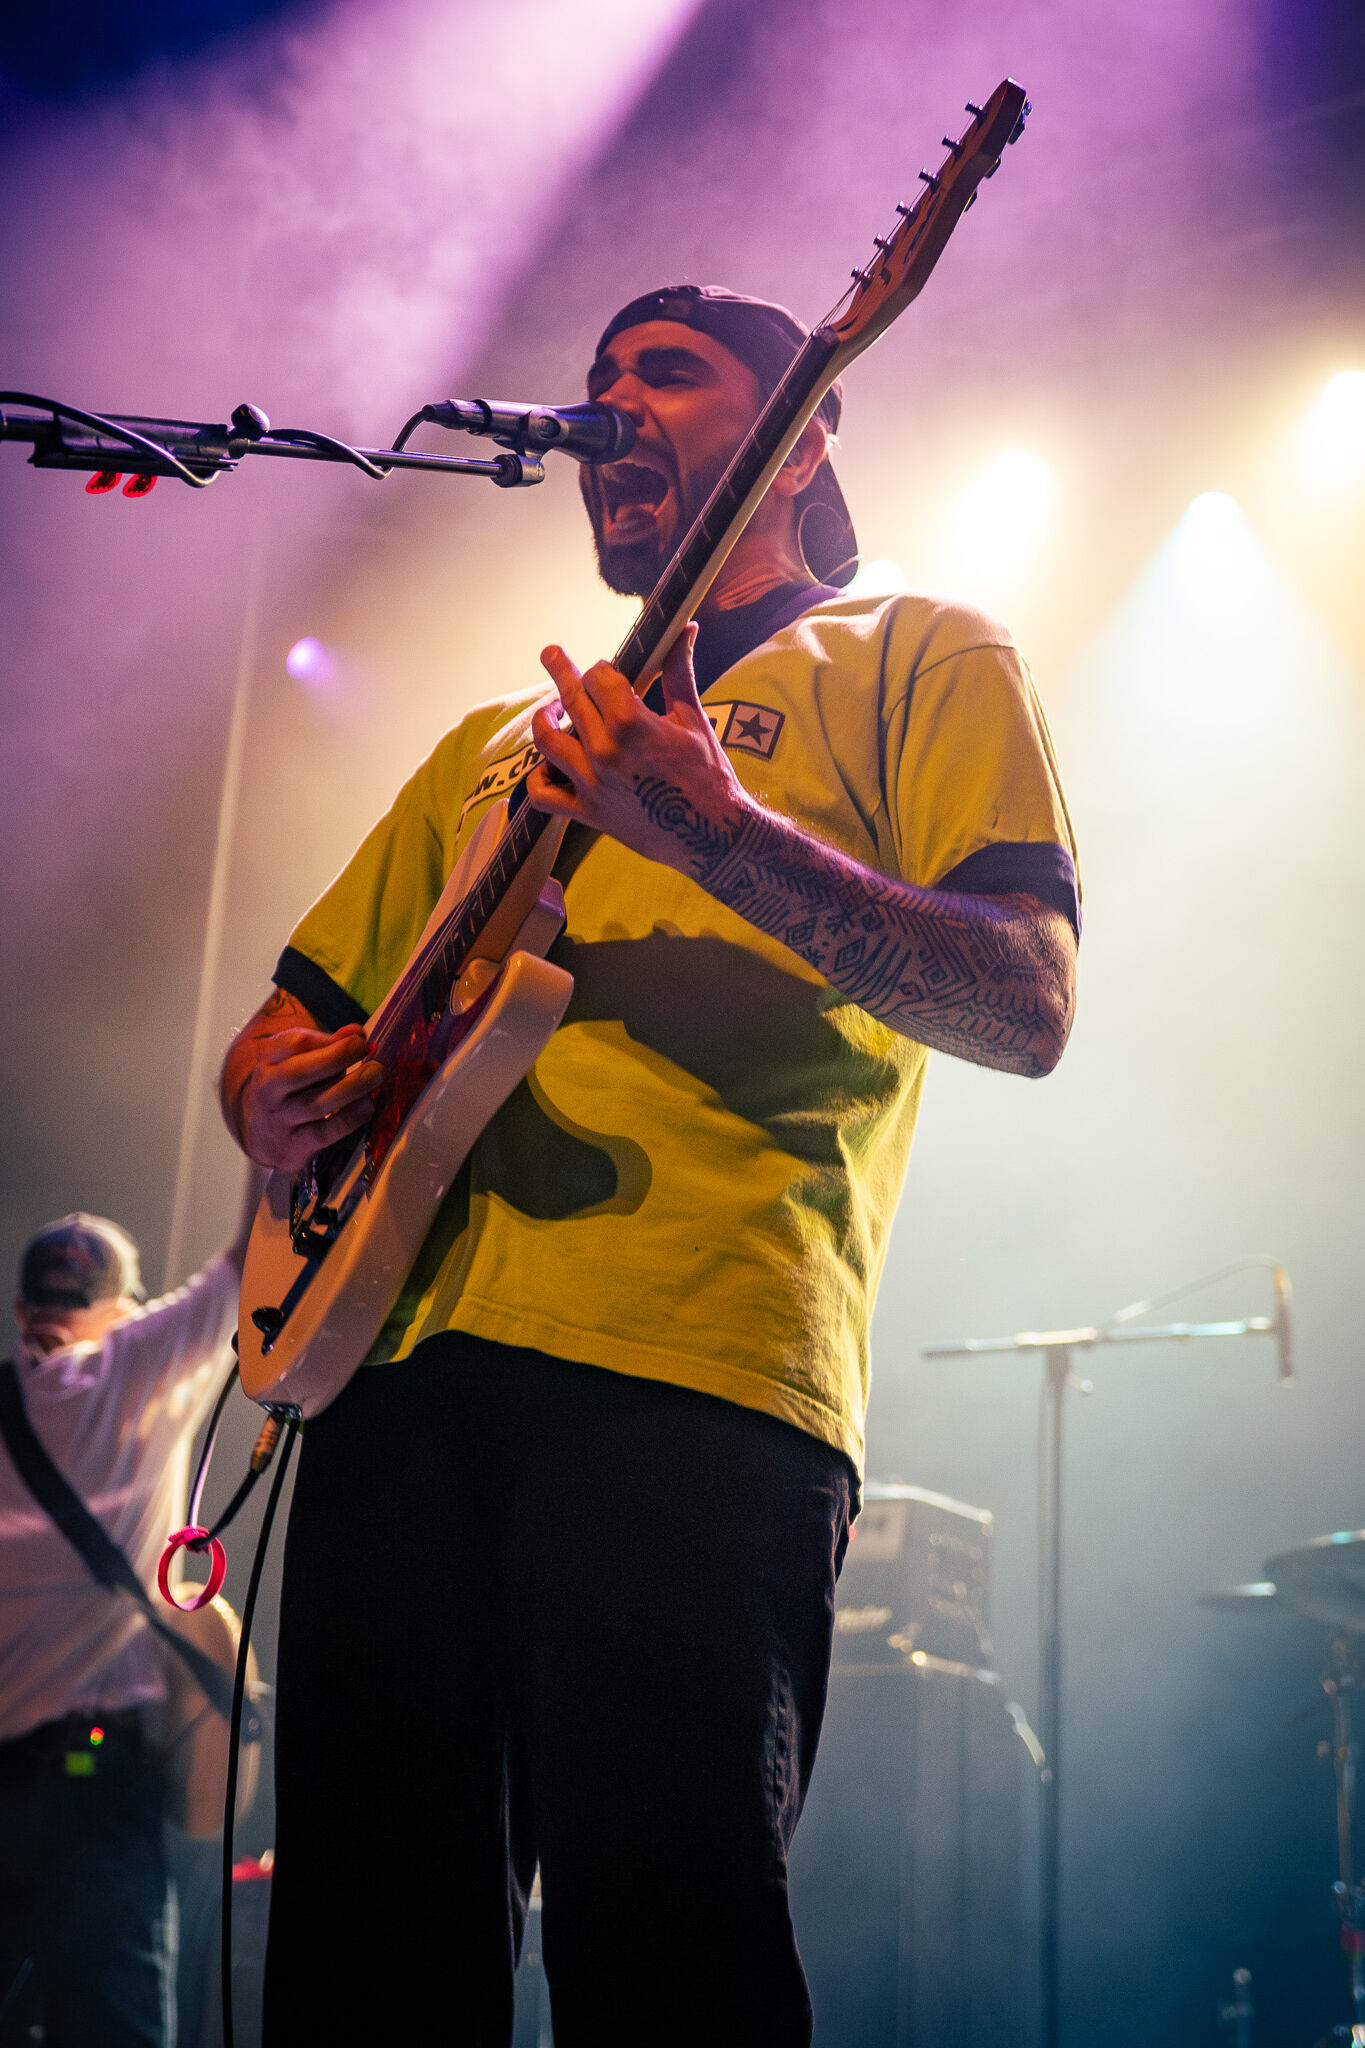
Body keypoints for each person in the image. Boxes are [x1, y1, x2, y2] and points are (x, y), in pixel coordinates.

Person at [219, 284, 1080, 2047]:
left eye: (668, 373)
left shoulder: (919, 646)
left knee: (668, 1947)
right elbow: (284, 1023)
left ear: (805, 433)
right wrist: (273, 1098)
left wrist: (714, 830)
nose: (610, 406)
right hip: (387, 1367)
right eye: (598, 378)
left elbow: (1024, 1001)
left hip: (689, 1368)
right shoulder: (496, 746)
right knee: (366, 1966)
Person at [0, 1172, 263, 2048]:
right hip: (96, 1774)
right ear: (122, 1310)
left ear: (21, 1310)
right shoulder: (135, 1365)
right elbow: (245, 1262)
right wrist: (259, 1123)